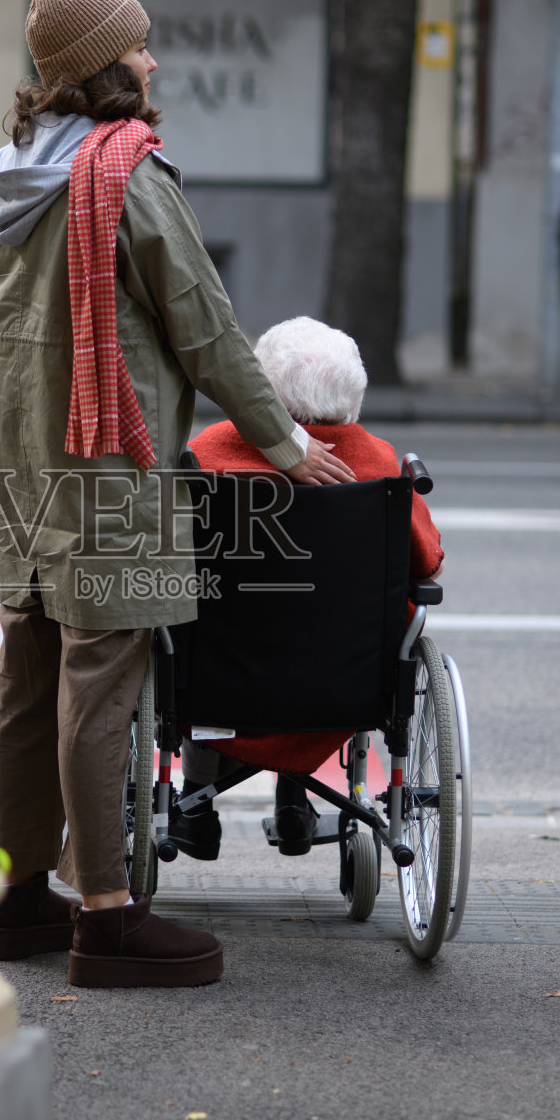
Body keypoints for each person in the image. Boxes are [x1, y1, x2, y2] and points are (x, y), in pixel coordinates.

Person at [0, 0, 354, 988]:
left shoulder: (8, 174)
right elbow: (204, 326)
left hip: (20, 462)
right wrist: (281, 440)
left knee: (27, 677)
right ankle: (105, 917)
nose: (153, 62)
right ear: (105, 69)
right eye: (138, 47)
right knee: (99, 683)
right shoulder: (125, 176)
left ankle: (16, 896)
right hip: (109, 464)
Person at [170, 316, 444, 860]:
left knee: (188, 626)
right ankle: (294, 801)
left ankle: (195, 806)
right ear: (353, 392)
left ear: (260, 389)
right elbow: (427, 565)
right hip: (345, 684)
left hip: (220, 681)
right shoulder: (379, 463)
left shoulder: (209, 452)